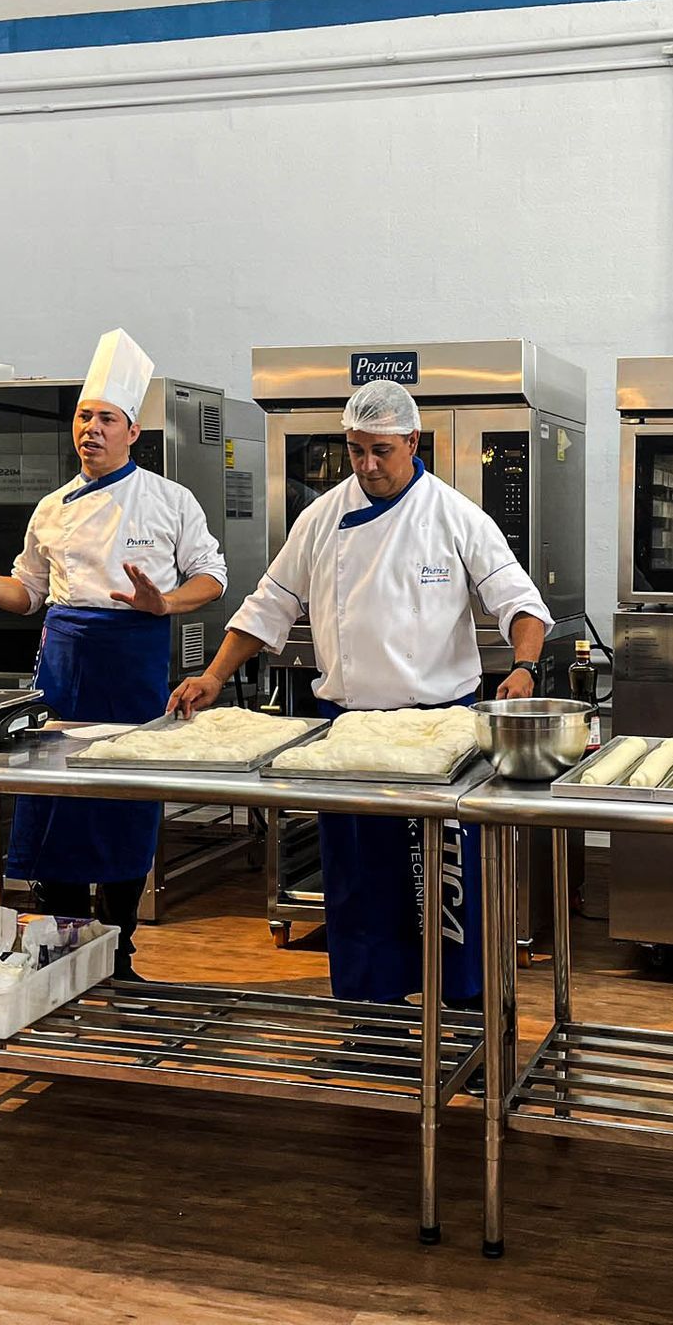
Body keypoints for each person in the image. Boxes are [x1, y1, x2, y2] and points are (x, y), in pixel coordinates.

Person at [169, 380, 549, 1006]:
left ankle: (462, 1012)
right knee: (357, 882)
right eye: (355, 451)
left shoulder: (455, 515)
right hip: (348, 733)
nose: (368, 465)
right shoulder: (321, 519)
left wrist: (526, 666)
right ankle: (368, 1016)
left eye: (380, 451)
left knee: (444, 884)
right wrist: (212, 674)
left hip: (437, 733)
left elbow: (520, 604)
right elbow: (269, 605)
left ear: (412, 442)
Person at [0, 329, 226, 981]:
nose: (91, 429)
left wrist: (162, 605)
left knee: (122, 809)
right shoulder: (52, 508)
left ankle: (118, 954)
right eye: (83, 417)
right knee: (54, 804)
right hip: (62, 671)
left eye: (105, 419)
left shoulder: (171, 502)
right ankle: (62, 951)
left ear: (132, 431)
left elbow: (212, 580)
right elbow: (26, 593)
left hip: (132, 669)